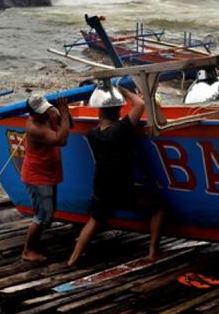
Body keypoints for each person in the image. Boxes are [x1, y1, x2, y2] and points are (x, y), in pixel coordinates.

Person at [68, 86, 165, 266]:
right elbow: (140, 104)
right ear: (119, 112)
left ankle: (73, 258)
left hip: (101, 186)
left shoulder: (92, 133)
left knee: (95, 219)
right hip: (122, 187)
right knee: (158, 207)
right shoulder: (121, 129)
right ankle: (153, 250)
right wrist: (125, 91)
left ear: (99, 113)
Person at [21, 94, 71, 262]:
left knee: (48, 214)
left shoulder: (48, 114)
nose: (45, 113)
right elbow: (62, 139)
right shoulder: (34, 127)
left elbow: (69, 124)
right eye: (41, 112)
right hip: (37, 176)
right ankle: (28, 250)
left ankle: (35, 245)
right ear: (33, 113)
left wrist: (63, 111)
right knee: (42, 216)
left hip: (49, 173)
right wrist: (63, 111)